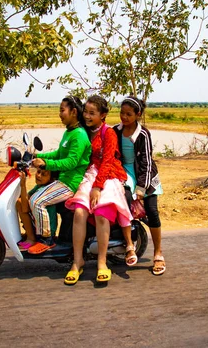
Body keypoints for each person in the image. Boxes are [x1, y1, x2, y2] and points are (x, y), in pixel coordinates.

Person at [64, 95, 132, 285]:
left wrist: (97, 187)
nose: (87, 116)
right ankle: (78, 261)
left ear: (103, 115)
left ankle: (102, 263)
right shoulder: (83, 131)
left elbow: (108, 161)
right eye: (85, 111)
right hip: (90, 174)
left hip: (108, 175)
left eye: (92, 113)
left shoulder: (108, 133)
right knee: (79, 212)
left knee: (102, 213)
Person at [27, 96, 92, 254]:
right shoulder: (69, 132)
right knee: (31, 195)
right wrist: (39, 156)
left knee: (37, 201)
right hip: (62, 180)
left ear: (74, 112)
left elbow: (71, 162)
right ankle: (38, 234)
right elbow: (59, 153)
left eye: (62, 110)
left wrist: (45, 164)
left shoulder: (79, 135)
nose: (60, 114)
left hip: (69, 183)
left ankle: (46, 240)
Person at [115, 96, 166, 275]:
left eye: (128, 114)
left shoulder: (143, 134)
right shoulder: (116, 131)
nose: (124, 117)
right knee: (124, 202)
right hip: (125, 172)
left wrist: (142, 188)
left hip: (145, 174)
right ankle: (129, 245)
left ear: (137, 115)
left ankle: (158, 253)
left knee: (152, 211)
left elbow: (147, 162)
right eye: (122, 113)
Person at [15, 167, 58, 250]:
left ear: (51, 179)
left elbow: (24, 207)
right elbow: (26, 199)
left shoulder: (45, 190)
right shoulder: (39, 186)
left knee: (20, 203)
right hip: (38, 225)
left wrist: (23, 185)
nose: (38, 175)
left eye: (44, 174)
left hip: (45, 233)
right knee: (19, 202)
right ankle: (29, 234)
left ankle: (31, 239)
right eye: (38, 172)